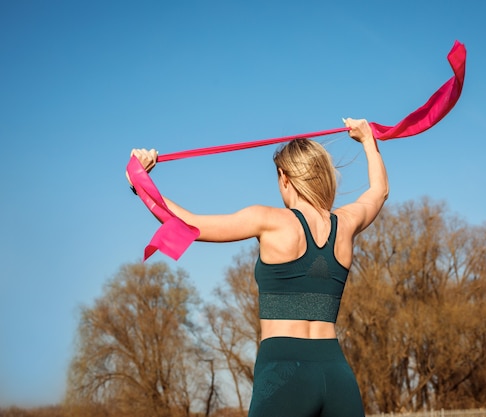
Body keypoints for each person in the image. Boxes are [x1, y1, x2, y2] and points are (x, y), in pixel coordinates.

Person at [128, 118, 388, 417]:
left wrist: (139, 180)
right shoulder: (345, 224)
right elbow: (379, 191)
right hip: (337, 374)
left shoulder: (268, 220)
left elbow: (189, 225)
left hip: (284, 372)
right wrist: (368, 139)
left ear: (285, 177)